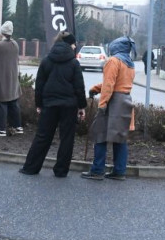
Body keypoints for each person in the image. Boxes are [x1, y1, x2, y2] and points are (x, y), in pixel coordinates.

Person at [19, 31, 87, 177]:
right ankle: (61, 171)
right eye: (74, 44)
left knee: (43, 136)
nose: (75, 47)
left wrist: (39, 104)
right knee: (67, 138)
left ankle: (30, 168)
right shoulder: (74, 63)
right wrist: (82, 106)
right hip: (69, 106)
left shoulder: (46, 60)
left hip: (49, 105)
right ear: (70, 44)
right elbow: (79, 87)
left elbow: (40, 85)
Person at [82, 36, 138, 181]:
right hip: (125, 101)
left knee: (100, 135)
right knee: (120, 138)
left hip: (113, 102)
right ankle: (119, 171)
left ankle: (97, 170)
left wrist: (102, 103)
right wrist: (96, 88)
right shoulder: (129, 63)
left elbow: (109, 85)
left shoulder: (113, 61)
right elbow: (118, 84)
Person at [0, 20, 22, 137]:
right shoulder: (15, 44)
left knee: (0, 103)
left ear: (2, 32)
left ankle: (0, 129)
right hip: (12, 78)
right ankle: (17, 126)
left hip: (1, 78)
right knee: (13, 103)